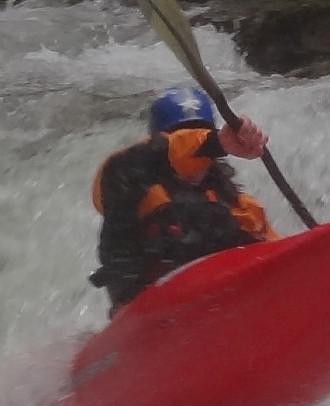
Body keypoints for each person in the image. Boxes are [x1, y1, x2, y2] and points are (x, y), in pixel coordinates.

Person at [88, 86, 278, 311]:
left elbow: (278, 257)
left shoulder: (239, 205)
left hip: (223, 306)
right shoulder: (125, 180)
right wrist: (214, 142)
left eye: (201, 133)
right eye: (182, 135)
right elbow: (134, 163)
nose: (194, 144)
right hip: (145, 312)